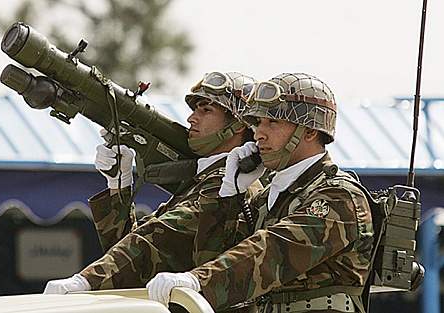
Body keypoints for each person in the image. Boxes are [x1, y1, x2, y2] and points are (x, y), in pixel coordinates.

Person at [146, 73, 374, 313]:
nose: (258, 134)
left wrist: (197, 280)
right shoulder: (268, 198)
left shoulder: (338, 197)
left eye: (272, 123)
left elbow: (272, 253)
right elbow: (210, 258)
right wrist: (229, 197)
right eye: (258, 123)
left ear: (309, 132)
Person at [43, 71, 262, 294]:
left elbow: (154, 238)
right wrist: (119, 186)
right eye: (195, 109)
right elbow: (132, 258)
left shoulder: (231, 183)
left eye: (206, 110)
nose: (191, 118)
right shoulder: (204, 179)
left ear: (239, 125)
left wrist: (85, 281)